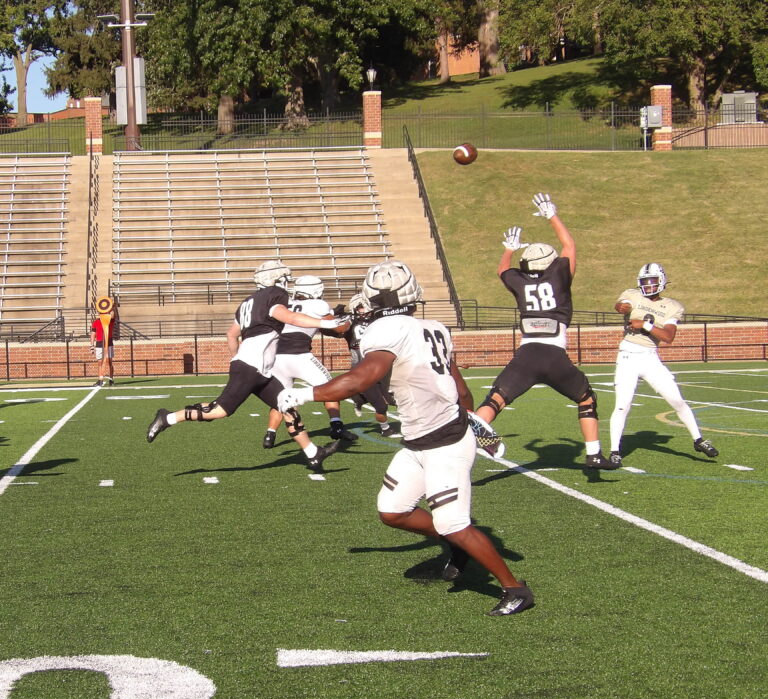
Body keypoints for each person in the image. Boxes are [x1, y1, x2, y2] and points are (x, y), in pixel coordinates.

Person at [277, 260, 534, 616]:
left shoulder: (386, 331)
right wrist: (471, 416)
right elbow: (460, 387)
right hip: (419, 438)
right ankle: (457, 546)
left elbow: (364, 377)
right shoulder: (434, 327)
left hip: (444, 441)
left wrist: (306, 394)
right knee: (393, 511)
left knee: (453, 522)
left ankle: (515, 588)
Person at [147, 259, 348, 473]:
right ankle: (167, 417)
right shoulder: (274, 295)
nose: (287, 283)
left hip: (257, 367)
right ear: (276, 279)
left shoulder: (248, 302)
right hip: (253, 366)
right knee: (219, 411)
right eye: (284, 278)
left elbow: (231, 334)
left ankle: (312, 453)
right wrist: (325, 322)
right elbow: (289, 317)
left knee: (287, 405)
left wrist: (237, 358)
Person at [472, 193, 617, 470]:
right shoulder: (559, 274)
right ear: (551, 263)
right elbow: (569, 245)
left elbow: (503, 269)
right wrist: (552, 215)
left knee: (495, 399)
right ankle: (594, 454)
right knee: (586, 398)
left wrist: (509, 248)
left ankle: (475, 435)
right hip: (554, 355)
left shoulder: (518, 280)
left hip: (526, 354)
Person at [608, 263, 719, 465]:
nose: (648, 286)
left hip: (650, 357)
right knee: (622, 405)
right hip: (627, 355)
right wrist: (621, 307)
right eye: (644, 282)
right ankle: (614, 450)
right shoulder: (632, 295)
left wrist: (645, 325)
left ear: (662, 282)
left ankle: (698, 439)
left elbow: (668, 337)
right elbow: (621, 306)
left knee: (676, 400)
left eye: (652, 282)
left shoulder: (672, 306)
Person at [262, 275, 357, 448]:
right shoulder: (318, 305)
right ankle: (336, 426)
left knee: (282, 397)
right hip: (300, 356)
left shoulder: (284, 304)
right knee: (331, 388)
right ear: (316, 290)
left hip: (277, 359)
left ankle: (270, 435)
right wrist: (349, 319)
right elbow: (337, 329)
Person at [326, 292, 401, 439]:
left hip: (381, 367)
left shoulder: (379, 320)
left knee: (394, 399)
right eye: (360, 308)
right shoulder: (350, 323)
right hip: (362, 369)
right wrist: (335, 315)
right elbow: (332, 330)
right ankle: (385, 429)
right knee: (381, 406)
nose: (364, 310)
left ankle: (358, 398)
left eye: (365, 307)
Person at [91, 307, 117, 387]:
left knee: (109, 362)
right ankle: (100, 380)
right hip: (99, 343)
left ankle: (111, 379)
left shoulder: (110, 320)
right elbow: (93, 334)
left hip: (108, 343)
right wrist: (92, 345)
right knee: (99, 363)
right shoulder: (95, 322)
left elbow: (112, 315)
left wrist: (111, 306)